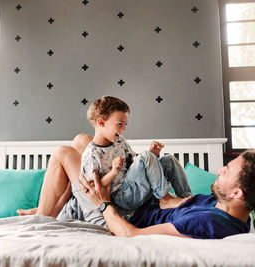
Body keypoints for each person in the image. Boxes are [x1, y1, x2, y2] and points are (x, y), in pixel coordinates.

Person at [70, 96, 191, 226]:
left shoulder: (120, 141)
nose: (123, 129)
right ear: (101, 122)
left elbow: (135, 164)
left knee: (169, 160)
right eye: (119, 124)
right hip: (122, 197)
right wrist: (113, 172)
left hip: (135, 188)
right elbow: (94, 188)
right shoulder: (91, 154)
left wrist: (152, 156)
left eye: (125, 124)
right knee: (145, 156)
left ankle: (187, 197)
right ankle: (165, 198)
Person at [78, 150, 255, 238]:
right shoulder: (226, 206)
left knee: (65, 153)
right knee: (82, 141)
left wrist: (102, 202)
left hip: (124, 216)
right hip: (142, 202)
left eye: (226, 171)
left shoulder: (208, 221)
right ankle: (51, 214)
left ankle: (49, 215)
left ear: (236, 193)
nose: (220, 169)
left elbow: (131, 234)